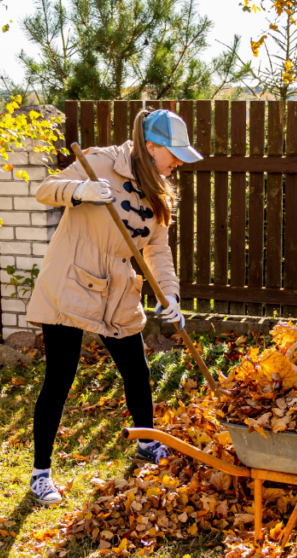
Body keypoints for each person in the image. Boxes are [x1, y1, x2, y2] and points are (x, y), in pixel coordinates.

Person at [23, 108, 204, 506]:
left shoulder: (158, 187)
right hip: (71, 281)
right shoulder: (100, 162)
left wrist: (169, 295)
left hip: (120, 290)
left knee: (137, 372)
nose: (177, 163)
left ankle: (146, 444)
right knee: (60, 378)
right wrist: (80, 191)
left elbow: (157, 248)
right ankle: (41, 474)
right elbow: (45, 189)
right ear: (151, 146)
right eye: (173, 154)